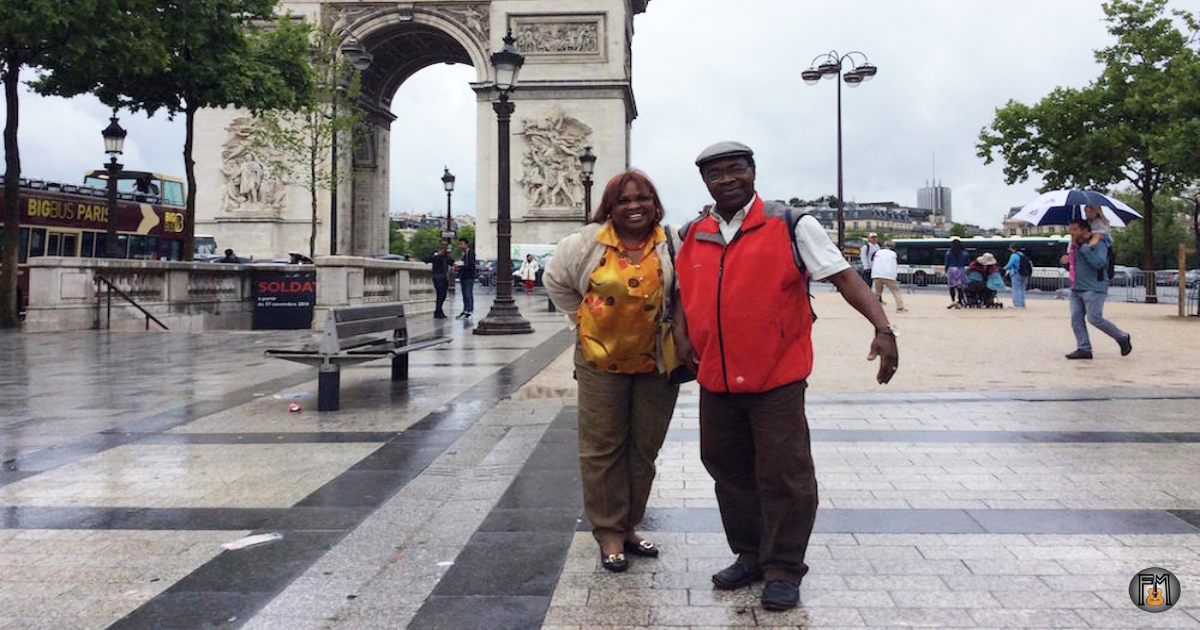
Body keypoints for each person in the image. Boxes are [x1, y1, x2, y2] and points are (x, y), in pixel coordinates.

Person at [672, 142, 899, 611]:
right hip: (715, 377)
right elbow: (681, 296)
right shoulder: (693, 231)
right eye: (716, 174)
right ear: (705, 183)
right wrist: (681, 339)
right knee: (727, 469)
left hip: (776, 376)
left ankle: (783, 567)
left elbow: (844, 278)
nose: (727, 179)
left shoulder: (791, 224)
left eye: (736, 169)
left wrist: (883, 327)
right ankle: (751, 553)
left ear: (753, 172)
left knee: (785, 473)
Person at [544, 170, 680, 574]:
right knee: (602, 447)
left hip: (657, 361)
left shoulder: (673, 242)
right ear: (610, 208)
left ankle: (628, 523)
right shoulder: (585, 244)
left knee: (644, 448)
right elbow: (556, 281)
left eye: (642, 198)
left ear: (656, 203)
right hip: (599, 361)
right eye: (623, 200)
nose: (634, 206)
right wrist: (581, 319)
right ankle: (608, 531)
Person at [1064, 218, 1132, 360]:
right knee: (1076, 318)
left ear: (1085, 230)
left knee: (1094, 317)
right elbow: (1075, 265)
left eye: (1075, 229)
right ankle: (1084, 348)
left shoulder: (1099, 244)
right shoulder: (1073, 246)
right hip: (1077, 287)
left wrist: (1085, 249)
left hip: (1094, 287)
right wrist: (1065, 261)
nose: (1072, 233)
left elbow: (1099, 263)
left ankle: (1122, 337)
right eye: (1070, 229)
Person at [871, 240, 906, 312]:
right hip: (889, 275)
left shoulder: (877, 252)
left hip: (877, 274)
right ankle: (900, 307)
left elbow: (872, 259)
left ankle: (873, 307)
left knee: (878, 292)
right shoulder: (894, 253)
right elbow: (899, 261)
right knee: (896, 291)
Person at [424, 240, 452, 319]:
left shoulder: (446, 256)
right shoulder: (435, 253)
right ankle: (438, 311)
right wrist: (437, 255)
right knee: (440, 293)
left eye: (446, 245)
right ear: (440, 245)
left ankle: (439, 310)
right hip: (437, 276)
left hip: (444, 277)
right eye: (443, 245)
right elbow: (426, 259)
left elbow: (451, 262)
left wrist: (449, 256)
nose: (444, 247)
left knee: (443, 295)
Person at [944, 238, 970, 309]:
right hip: (960, 270)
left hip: (951, 270)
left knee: (951, 287)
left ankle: (953, 301)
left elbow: (946, 264)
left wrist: (946, 271)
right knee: (960, 287)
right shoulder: (964, 254)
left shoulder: (948, 253)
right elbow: (967, 263)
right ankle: (959, 301)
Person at [455, 237, 476, 319]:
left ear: (466, 244)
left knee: (468, 293)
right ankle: (465, 310)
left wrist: (460, 265)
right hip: (463, 276)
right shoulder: (463, 253)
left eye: (461, 244)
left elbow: (470, 264)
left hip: (469, 276)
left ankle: (470, 311)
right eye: (459, 244)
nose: (460, 246)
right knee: (464, 294)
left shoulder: (470, 253)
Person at [1003, 244, 1028, 308]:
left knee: (1015, 289)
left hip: (1016, 273)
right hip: (1024, 274)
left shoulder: (1014, 255)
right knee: (1022, 289)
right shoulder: (1022, 255)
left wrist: (1003, 269)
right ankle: (1022, 304)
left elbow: (1010, 265)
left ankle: (1017, 304)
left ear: (1013, 249)